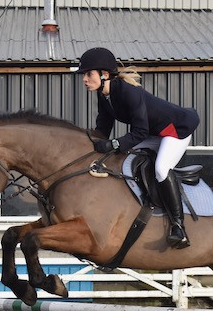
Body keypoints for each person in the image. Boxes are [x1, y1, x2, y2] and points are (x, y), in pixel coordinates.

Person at [76, 47, 200, 249]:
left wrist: (114, 144)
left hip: (175, 130)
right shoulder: (104, 96)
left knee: (161, 168)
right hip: (153, 133)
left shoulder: (129, 93)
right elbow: (103, 128)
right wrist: (91, 146)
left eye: (88, 74)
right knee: (124, 158)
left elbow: (139, 132)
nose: (84, 79)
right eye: (84, 75)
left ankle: (179, 227)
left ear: (104, 74)